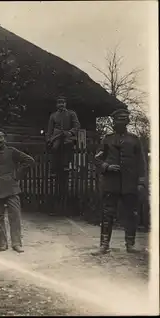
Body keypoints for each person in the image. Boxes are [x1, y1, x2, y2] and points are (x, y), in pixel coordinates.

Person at [92, 108, 147, 255]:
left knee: (131, 214)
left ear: (127, 121)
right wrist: (107, 166)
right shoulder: (107, 139)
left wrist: (141, 182)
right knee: (107, 214)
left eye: (123, 119)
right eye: (118, 120)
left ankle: (130, 244)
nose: (120, 122)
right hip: (111, 183)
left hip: (130, 184)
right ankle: (104, 245)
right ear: (114, 122)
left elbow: (142, 163)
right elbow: (97, 159)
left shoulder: (134, 140)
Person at [46, 95, 81, 173]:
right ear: (56, 105)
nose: (61, 104)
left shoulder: (71, 113)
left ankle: (67, 165)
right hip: (56, 136)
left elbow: (77, 125)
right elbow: (50, 130)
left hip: (67, 135)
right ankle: (53, 168)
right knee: (54, 148)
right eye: (59, 103)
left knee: (68, 145)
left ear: (66, 104)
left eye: (63, 102)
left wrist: (70, 132)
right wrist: (48, 139)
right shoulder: (53, 116)